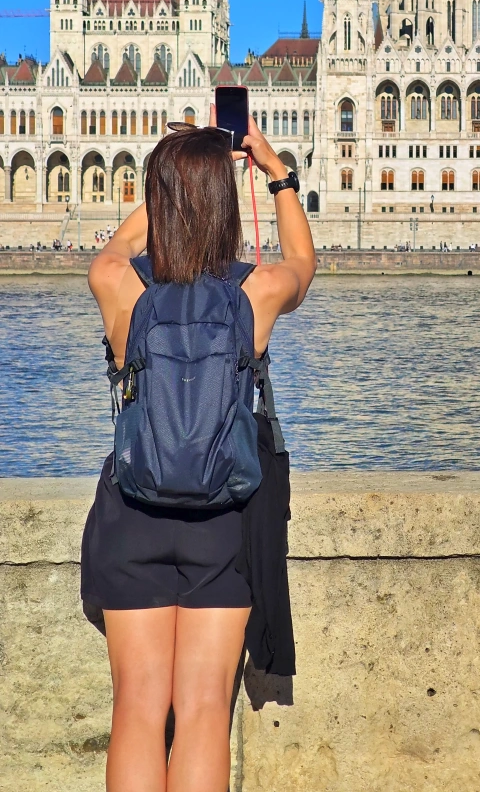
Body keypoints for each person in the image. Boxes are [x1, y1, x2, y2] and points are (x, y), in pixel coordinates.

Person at [82, 113, 316, 792]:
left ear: (159, 204)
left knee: (138, 709)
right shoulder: (255, 294)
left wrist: (168, 190)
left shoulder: (117, 286)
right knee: (206, 709)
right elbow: (303, 264)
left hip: (131, 514)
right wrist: (277, 174)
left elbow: (118, 250)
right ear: (222, 207)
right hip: (222, 518)